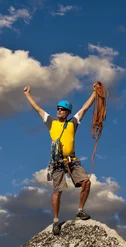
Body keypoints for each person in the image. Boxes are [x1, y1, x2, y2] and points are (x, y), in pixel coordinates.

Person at [23, 84, 97, 235]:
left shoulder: (72, 123)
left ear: (67, 112)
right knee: (58, 190)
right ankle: (56, 221)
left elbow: (84, 108)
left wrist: (95, 93)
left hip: (72, 160)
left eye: (62, 109)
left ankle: (80, 211)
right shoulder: (52, 122)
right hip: (57, 162)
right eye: (58, 108)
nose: (59, 111)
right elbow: (38, 109)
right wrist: (27, 95)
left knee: (86, 182)